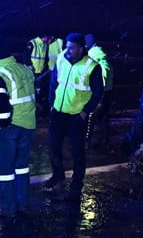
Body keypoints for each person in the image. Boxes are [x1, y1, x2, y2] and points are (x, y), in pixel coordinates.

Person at [45, 33, 103, 200]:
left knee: (77, 152)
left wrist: (86, 111)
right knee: (53, 146)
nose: (68, 50)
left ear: (81, 48)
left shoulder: (92, 66)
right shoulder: (62, 58)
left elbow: (98, 92)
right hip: (58, 112)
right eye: (67, 46)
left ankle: (76, 186)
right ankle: (58, 174)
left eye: (71, 47)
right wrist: (51, 103)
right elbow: (54, 81)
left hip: (77, 116)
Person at [0, 36, 36, 221]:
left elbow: (0, 103)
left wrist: (2, 123)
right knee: (22, 167)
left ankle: (8, 209)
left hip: (9, 128)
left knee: (4, 171)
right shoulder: (24, 69)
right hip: (28, 125)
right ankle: (24, 203)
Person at [84, 33, 114, 150]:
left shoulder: (94, 55)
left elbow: (104, 71)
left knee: (91, 116)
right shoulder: (100, 53)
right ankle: (104, 141)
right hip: (107, 91)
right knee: (102, 117)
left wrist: (100, 88)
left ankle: (87, 144)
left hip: (101, 92)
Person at [29, 32, 63, 121]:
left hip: (43, 73)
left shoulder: (45, 44)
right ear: (44, 37)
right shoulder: (33, 43)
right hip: (33, 74)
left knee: (42, 93)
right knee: (34, 94)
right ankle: (37, 113)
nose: (49, 41)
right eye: (47, 38)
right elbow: (27, 57)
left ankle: (42, 113)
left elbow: (45, 58)